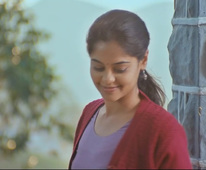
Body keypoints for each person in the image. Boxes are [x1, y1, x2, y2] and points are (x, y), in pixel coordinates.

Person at [69, 9, 192, 169]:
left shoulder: (164, 131)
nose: (108, 79)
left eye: (120, 69)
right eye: (98, 67)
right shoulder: (89, 112)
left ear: (143, 60)